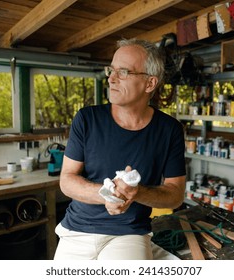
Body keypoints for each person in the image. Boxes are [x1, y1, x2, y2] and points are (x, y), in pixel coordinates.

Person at [54, 38, 186, 260]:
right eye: (111, 70)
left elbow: (175, 196)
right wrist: (107, 196)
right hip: (77, 229)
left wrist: (137, 193)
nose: (111, 78)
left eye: (123, 72)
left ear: (150, 83)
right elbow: (66, 180)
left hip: (129, 232)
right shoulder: (87, 119)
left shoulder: (169, 129)